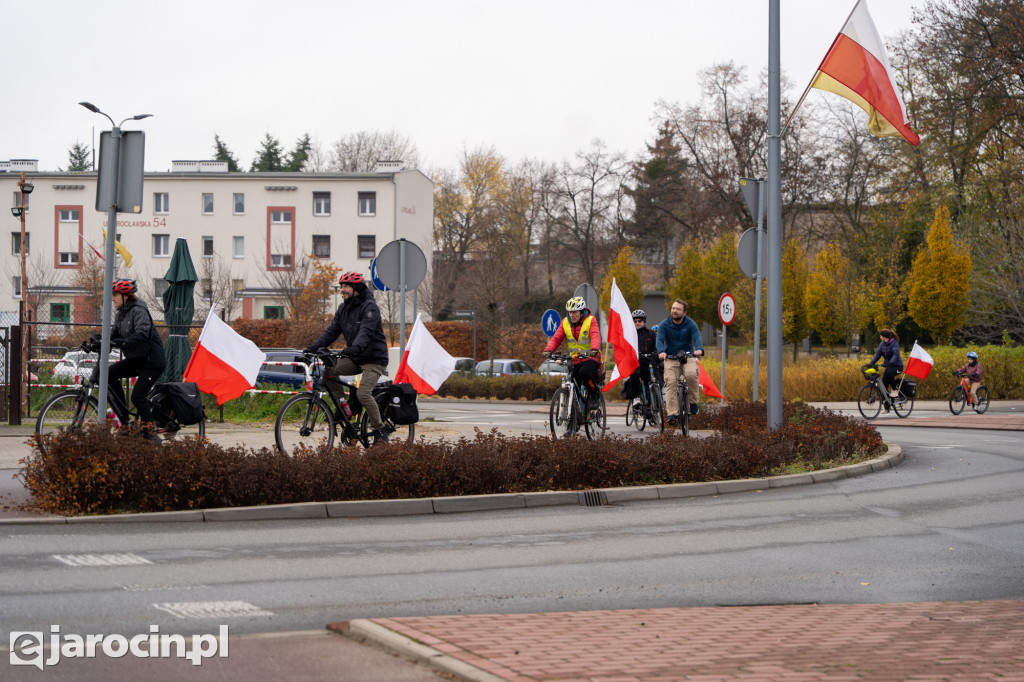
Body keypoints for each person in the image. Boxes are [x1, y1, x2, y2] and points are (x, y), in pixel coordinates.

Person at [304, 272, 391, 444]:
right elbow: (331, 332)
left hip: (374, 359)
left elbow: (366, 332)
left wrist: (354, 348)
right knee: (329, 371)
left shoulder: (370, 308)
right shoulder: (343, 308)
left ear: (356, 288)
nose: (342, 290)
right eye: (341, 286)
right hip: (356, 357)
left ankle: (380, 430)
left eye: (345, 286)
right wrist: (311, 349)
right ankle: (345, 407)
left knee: (364, 394)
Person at [88, 279, 166, 441]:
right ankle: (122, 415)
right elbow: (114, 335)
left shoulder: (139, 310)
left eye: (116, 295)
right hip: (136, 360)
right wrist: (97, 342)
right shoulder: (121, 314)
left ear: (126, 296)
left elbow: (142, 333)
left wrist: (125, 342)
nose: (113, 299)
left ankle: (150, 432)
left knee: (137, 396)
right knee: (108, 374)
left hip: (152, 361)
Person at [542, 296, 602, 406]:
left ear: (581, 311)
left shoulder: (590, 320)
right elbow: (556, 338)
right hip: (575, 359)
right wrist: (548, 350)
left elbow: (595, 335)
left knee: (584, 373)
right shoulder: (565, 322)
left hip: (590, 357)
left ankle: (595, 395)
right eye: (570, 312)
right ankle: (574, 416)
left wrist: (594, 349)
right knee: (574, 381)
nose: (572, 315)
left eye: (574, 312)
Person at [656, 299, 704, 424]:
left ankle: (693, 402)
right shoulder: (664, 325)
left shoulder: (690, 324)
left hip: (687, 356)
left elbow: (697, 336)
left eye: (678, 309)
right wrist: (661, 351)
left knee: (691, 374)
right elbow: (659, 339)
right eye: (673, 308)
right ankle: (672, 414)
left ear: (684, 312)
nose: (674, 311)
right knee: (671, 383)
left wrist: (699, 349)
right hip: (670, 358)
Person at [623, 310, 661, 414]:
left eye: (639, 321)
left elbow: (657, 347)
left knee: (656, 381)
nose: (637, 323)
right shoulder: (630, 335)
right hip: (636, 363)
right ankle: (636, 398)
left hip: (649, 362)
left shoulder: (651, 334)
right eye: (635, 321)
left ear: (644, 321)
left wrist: (657, 355)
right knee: (634, 375)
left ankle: (651, 405)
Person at [866, 329, 903, 401]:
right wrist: (870, 364)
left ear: (884, 336)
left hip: (897, 366)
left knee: (889, 373)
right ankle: (886, 406)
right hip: (888, 366)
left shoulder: (894, 343)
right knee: (884, 386)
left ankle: (895, 390)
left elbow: (895, 355)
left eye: (880, 335)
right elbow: (877, 356)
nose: (880, 336)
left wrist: (891, 362)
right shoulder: (882, 344)